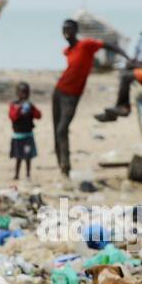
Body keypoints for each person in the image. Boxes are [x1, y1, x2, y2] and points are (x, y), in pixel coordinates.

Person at [53, 18, 126, 177]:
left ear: (76, 30)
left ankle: (66, 166)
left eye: (70, 28)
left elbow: (109, 45)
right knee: (57, 129)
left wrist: (127, 57)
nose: (67, 31)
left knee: (62, 128)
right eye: (64, 28)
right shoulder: (67, 51)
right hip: (58, 91)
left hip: (72, 96)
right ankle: (62, 165)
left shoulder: (86, 45)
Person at [8, 82, 41, 181]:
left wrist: (32, 108)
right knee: (18, 157)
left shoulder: (30, 105)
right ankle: (16, 174)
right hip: (17, 137)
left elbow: (39, 116)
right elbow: (12, 117)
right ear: (17, 93)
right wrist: (18, 109)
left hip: (28, 137)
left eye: (26, 92)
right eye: (22, 92)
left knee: (27, 156)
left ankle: (28, 175)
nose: (24, 95)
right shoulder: (14, 105)